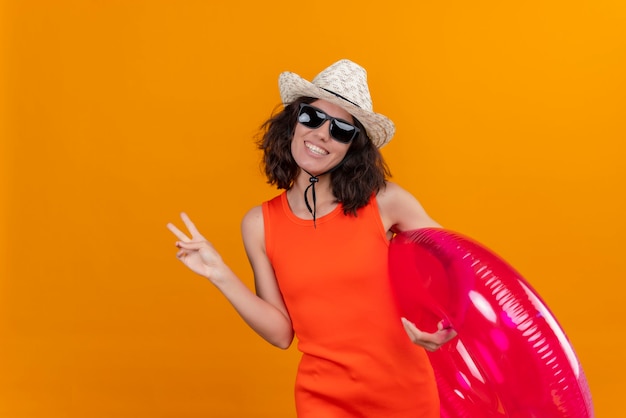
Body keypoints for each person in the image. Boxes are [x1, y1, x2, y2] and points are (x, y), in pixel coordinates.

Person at [167, 59, 457, 417]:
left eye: (340, 130)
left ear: (353, 147)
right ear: (293, 122)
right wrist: (219, 274)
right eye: (312, 117)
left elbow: (458, 267)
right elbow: (281, 333)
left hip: (404, 396)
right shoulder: (260, 223)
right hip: (322, 400)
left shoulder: (386, 201)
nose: (321, 134)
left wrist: (439, 321)